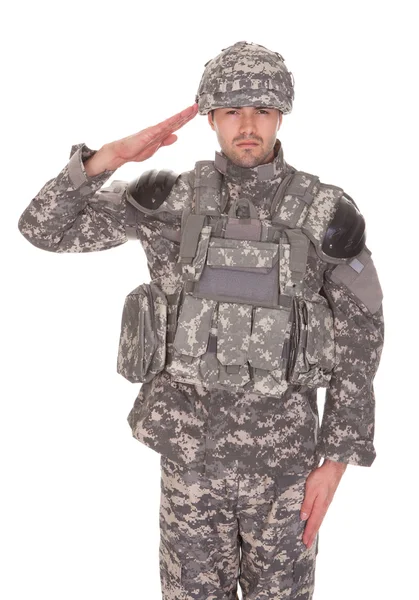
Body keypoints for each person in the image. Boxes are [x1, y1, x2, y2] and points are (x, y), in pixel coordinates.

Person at [17, 41, 385, 599]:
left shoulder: (323, 212)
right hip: (191, 464)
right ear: (210, 116)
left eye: (262, 110)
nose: (248, 125)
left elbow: (362, 337)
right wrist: (108, 158)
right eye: (233, 110)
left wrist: (336, 461)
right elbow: (44, 229)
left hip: (284, 473)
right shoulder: (169, 199)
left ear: (281, 114)